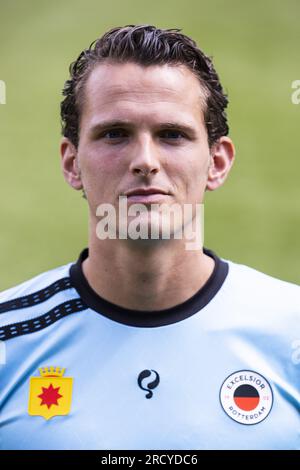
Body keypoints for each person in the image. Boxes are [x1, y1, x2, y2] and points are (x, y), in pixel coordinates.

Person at [0, 25, 299, 451]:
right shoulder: (9, 343)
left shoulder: (291, 334)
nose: (145, 161)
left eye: (172, 135)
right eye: (115, 134)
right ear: (72, 162)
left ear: (217, 162)